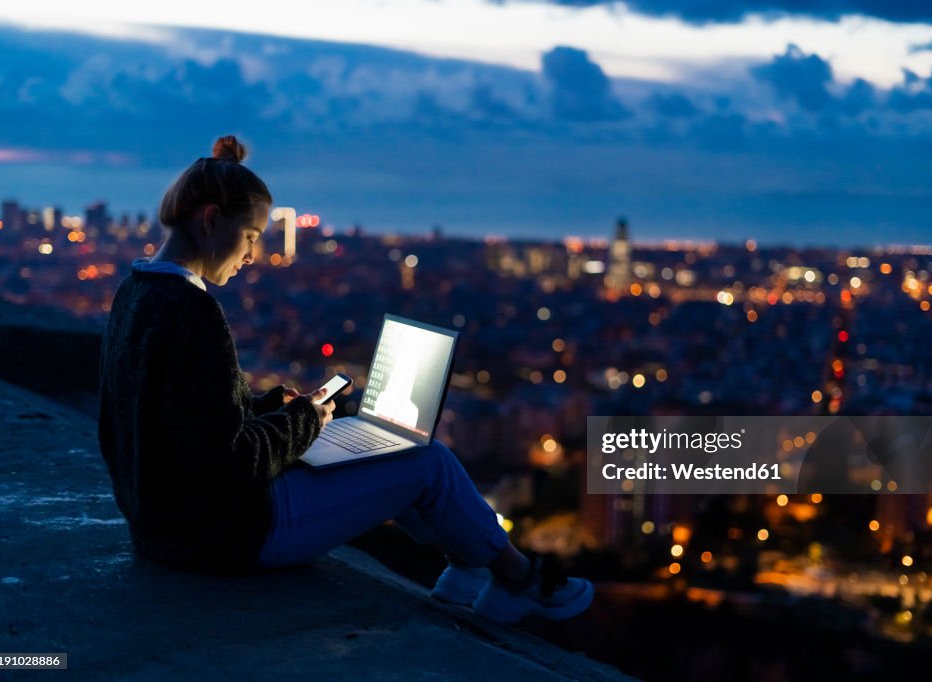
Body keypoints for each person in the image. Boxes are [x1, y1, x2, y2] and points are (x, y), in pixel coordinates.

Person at [97, 135, 593, 624]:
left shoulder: (135, 293)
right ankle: (520, 581)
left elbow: (178, 424)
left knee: (385, 449)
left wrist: (273, 409)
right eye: (250, 236)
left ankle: (466, 567)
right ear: (210, 220)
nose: (252, 256)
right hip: (224, 534)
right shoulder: (192, 310)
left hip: (165, 527)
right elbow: (231, 459)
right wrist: (304, 419)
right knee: (426, 460)